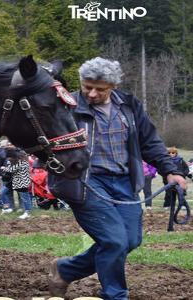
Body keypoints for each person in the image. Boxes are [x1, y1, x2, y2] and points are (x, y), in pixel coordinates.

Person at [47, 57, 187, 300]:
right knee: (113, 241)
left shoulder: (130, 106)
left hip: (124, 181)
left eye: (99, 89)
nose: (91, 93)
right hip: (85, 182)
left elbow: (149, 142)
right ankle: (115, 295)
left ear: (112, 87)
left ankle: (65, 269)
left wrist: (170, 170)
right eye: (86, 87)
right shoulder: (66, 106)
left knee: (130, 240)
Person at [3, 148, 32, 219]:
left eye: (9, 157)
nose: (8, 159)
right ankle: (9, 207)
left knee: (25, 198)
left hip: (22, 183)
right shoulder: (15, 161)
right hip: (13, 182)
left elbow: (11, 170)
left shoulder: (22, 162)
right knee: (3, 192)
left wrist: (3, 168)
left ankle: (28, 212)